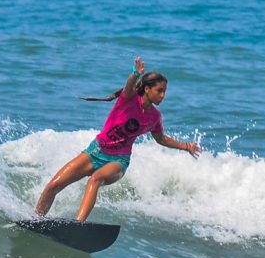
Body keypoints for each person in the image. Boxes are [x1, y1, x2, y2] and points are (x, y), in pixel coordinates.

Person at [35, 56, 201, 221]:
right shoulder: (128, 99)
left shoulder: (155, 117)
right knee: (53, 186)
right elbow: (129, 85)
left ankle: (78, 224)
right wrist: (135, 73)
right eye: (159, 91)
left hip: (118, 161)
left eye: (165, 91)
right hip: (95, 151)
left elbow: (161, 139)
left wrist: (186, 146)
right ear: (147, 89)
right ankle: (36, 220)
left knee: (96, 178)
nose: (163, 95)